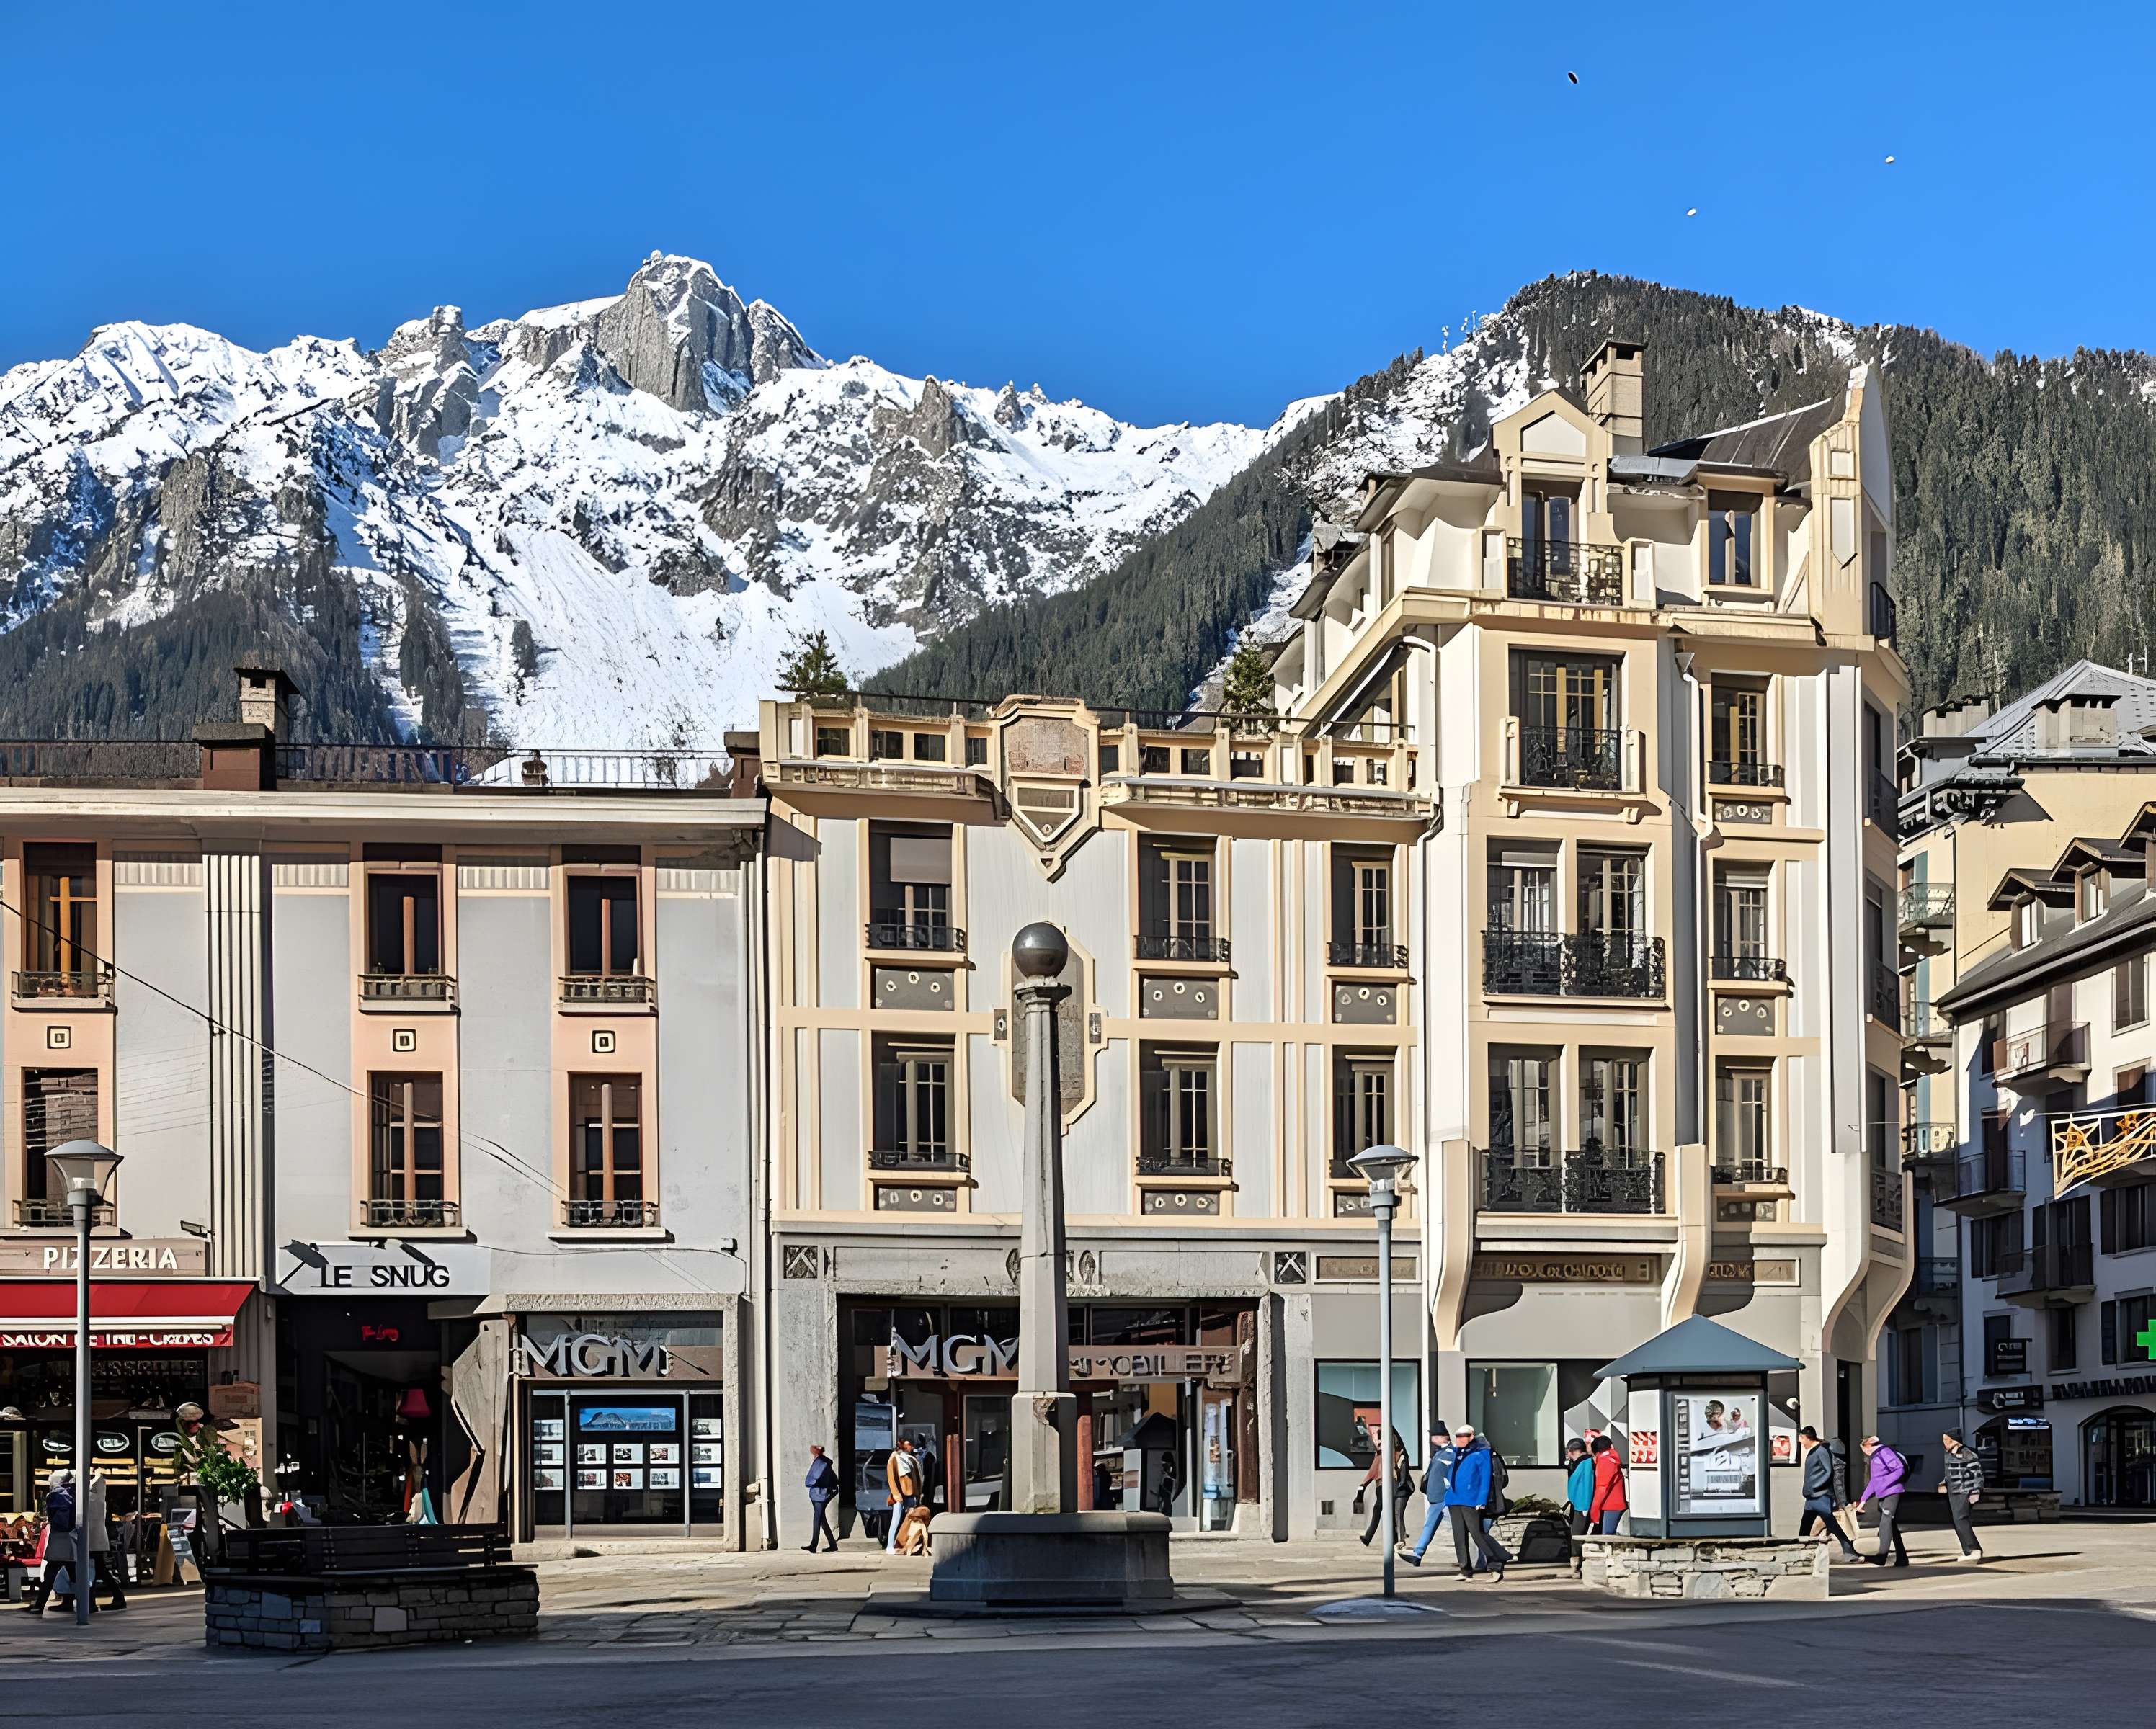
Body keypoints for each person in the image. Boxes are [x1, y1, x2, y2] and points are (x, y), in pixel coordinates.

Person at [1440, 1423, 1507, 1581]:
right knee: (1459, 1536)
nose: (1459, 1439)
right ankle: (1465, 1570)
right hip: (1454, 1498)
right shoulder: (1457, 1453)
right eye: (1458, 1436)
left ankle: (1496, 1563)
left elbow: (1485, 1479)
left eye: (1463, 1436)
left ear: (1471, 1437)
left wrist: (1482, 1500)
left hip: (1471, 1500)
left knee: (1477, 1533)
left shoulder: (1482, 1453)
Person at [1396, 1422, 1455, 1568]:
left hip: (1446, 1496)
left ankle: (1485, 1557)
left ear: (1444, 1437)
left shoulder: (1451, 1453)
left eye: (1435, 1436)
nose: (1432, 1439)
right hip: (1436, 1497)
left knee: (1464, 1529)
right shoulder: (1440, 1453)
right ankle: (1418, 1553)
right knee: (1429, 1525)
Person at [1796, 1426, 1858, 1560]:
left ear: (1806, 1437)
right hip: (1812, 1497)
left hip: (1819, 1496)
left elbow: (1828, 1471)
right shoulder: (1815, 1451)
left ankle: (1849, 1549)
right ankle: (1800, 1552)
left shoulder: (1821, 1451)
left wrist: (1816, 1487)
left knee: (1831, 1523)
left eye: (1801, 1438)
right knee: (1806, 1526)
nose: (1800, 1442)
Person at [1856, 1435, 1909, 1567]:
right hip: (1884, 1493)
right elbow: (1874, 1481)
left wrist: (1884, 1483)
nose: (1865, 1454)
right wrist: (1863, 1500)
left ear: (1868, 1445)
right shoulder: (1876, 1457)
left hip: (1892, 1492)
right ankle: (1902, 1558)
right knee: (1891, 1525)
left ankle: (1882, 1556)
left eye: (1864, 1450)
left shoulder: (1885, 1452)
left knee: (1886, 1521)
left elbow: (1899, 1469)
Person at [1357, 1428, 1412, 1549]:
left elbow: (1371, 1474)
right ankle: (1391, 1538)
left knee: (1381, 1511)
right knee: (1388, 1512)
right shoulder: (1397, 1453)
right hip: (1390, 1486)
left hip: (1384, 1485)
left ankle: (1371, 1537)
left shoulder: (1384, 1454)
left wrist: (1362, 1486)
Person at [1939, 1429, 1987, 1563]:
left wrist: (1976, 1491)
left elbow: (1977, 1473)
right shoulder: (1949, 1455)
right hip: (1952, 1492)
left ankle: (1974, 1550)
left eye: (1946, 1440)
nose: (1944, 1443)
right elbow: (1950, 1472)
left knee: (1961, 1519)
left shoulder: (1967, 1454)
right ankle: (1968, 1550)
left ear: (1954, 1440)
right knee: (1957, 1521)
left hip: (1964, 1491)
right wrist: (1943, 1483)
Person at [883, 1438, 922, 1555]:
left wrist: (918, 1493)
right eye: (908, 1445)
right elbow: (891, 1476)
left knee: (911, 1520)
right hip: (899, 1495)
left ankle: (906, 1543)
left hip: (910, 1494)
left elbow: (917, 1477)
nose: (911, 1447)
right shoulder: (895, 1457)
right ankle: (890, 1545)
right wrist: (896, 1494)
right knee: (895, 1520)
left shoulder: (911, 1459)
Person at [1564, 1437, 1594, 1576]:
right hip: (1576, 1502)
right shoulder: (1574, 1463)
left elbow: (1588, 1484)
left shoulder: (1586, 1462)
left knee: (1577, 1534)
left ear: (1576, 1451)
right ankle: (1575, 1564)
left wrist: (1586, 1506)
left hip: (1582, 1504)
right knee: (1574, 1533)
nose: (1568, 1455)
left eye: (1569, 1452)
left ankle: (1577, 1565)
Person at [802, 1445, 841, 1553]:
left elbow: (816, 1478)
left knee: (817, 1519)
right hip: (819, 1494)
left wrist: (813, 1483)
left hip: (820, 1494)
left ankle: (813, 1545)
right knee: (822, 1519)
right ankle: (833, 1545)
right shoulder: (821, 1462)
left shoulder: (822, 1463)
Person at [1587, 1434, 1627, 1535]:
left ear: (1596, 1452)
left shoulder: (1605, 1461)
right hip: (1614, 1504)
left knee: (1607, 1537)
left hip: (1611, 1505)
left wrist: (1594, 1511)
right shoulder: (1612, 1458)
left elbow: (1602, 1488)